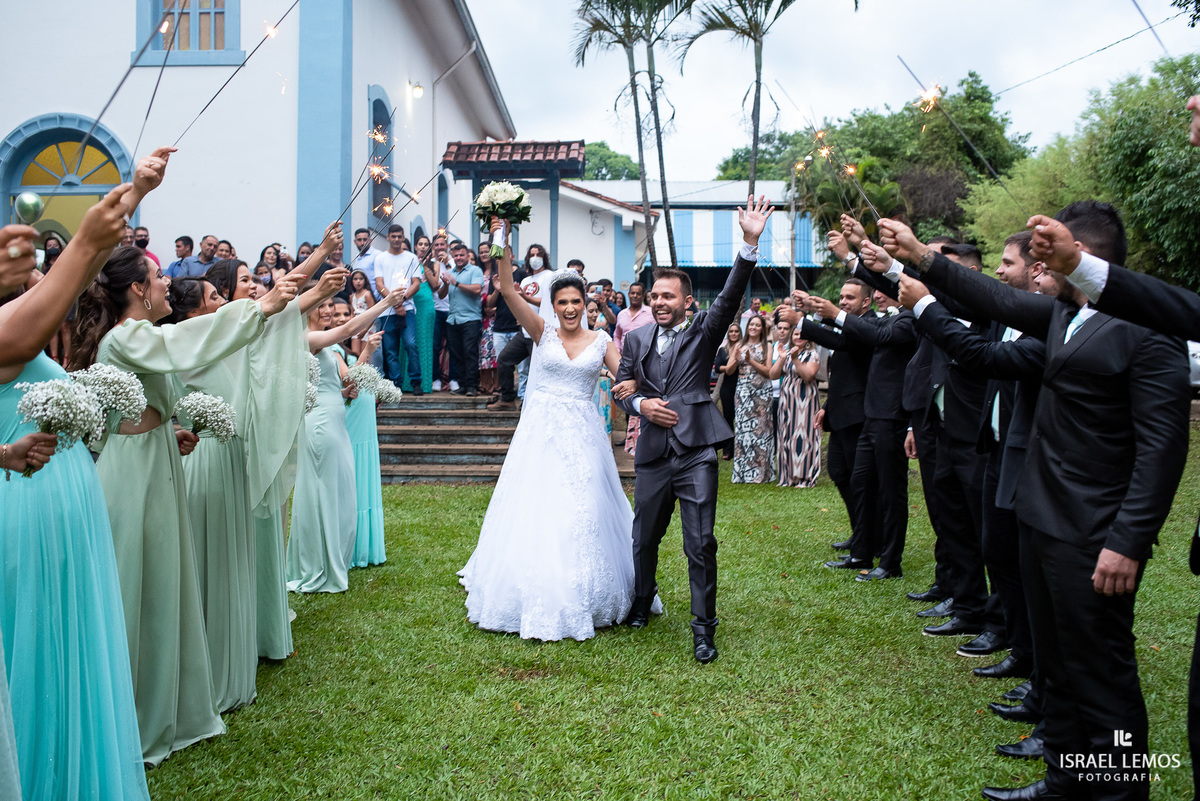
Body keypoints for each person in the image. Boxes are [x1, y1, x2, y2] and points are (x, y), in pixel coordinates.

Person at [881, 206, 1191, 801]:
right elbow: (993, 301)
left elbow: (1162, 449)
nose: (1038, 266)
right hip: (1040, 516)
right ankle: (1064, 780)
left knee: (1102, 674)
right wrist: (918, 256)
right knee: (1061, 665)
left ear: (1086, 254)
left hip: (1094, 532)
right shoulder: (1065, 315)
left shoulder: (1147, 327)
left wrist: (1127, 541)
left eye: (1051, 255)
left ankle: (1119, 792)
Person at [70, 240, 303, 764]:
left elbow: (160, 380)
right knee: (140, 581)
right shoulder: (127, 336)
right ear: (136, 289)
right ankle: (128, 709)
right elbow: (187, 343)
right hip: (133, 473)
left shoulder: (139, 336)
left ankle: (165, 698)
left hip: (155, 456)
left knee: (165, 581)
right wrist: (258, 308)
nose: (166, 285)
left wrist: (166, 426)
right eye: (156, 280)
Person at [1, 170, 154, 800]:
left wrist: (132, 196)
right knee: (37, 658)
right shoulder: (11, 335)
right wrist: (90, 238)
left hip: (59, 502)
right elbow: (42, 312)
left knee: (70, 657)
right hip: (27, 508)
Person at [458, 221, 657, 641]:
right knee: (535, 506)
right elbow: (508, 290)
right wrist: (501, 240)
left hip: (582, 436)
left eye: (576, 301)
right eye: (562, 301)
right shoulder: (540, 331)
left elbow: (627, 377)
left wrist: (636, 391)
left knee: (582, 508)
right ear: (552, 304)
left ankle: (587, 588)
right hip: (539, 435)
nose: (569, 308)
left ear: (587, 303)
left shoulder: (602, 340)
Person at [614, 195, 772, 664]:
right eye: (654, 295)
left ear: (686, 301)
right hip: (653, 454)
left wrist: (748, 243)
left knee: (700, 542)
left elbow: (729, 296)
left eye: (669, 297)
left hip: (697, 451)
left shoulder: (705, 329)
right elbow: (621, 388)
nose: (660, 302)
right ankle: (642, 601)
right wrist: (642, 403)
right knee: (644, 536)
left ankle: (704, 629)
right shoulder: (636, 338)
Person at [797, 284, 917, 582]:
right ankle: (862, 548)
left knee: (889, 492)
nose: (880, 295)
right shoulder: (884, 320)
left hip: (885, 416)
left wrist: (809, 320)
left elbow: (856, 338)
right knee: (858, 481)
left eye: (886, 290)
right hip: (868, 414)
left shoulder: (901, 322)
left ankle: (888, 559)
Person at [287, 286, 400, 593]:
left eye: (328, 305)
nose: (326, 310)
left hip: (335, 420)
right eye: (321, 305)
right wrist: (387, 303)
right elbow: (349, 328)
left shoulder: (325, 348)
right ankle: (317, 565)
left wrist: (343, 392)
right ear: (307, 308)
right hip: (320, 424)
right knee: (322, 494)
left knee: (339, 493)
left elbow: (335, 382)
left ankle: (331, 557)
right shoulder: (306, 340)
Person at [487, 243, 554, 410]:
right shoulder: (525, 280)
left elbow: (549, 302)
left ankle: (534, 404)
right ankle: (507, 398)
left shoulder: (550, 276)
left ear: (544, 257)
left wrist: (525, 297)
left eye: (538, 254)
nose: (535, 258)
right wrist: (503, 292)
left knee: (537, 369)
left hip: (541, 330)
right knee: (504, 360)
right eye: (531, 255)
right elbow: (517, 301)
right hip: (523, 331)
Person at [345, 331, 388, 568]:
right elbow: (348, 381)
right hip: (349, 428)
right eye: (333, 313)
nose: (340, 318)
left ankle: (366, 546)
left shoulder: (349, 352)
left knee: (364, 480)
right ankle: (352, 548)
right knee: (353, 479)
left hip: (365, 426)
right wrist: (367, 351)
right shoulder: (331, 351)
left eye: (344, 314)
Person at [374, 224, 422, 394]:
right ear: (388, 237)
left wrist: (402, 300)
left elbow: (416, 283)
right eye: (393, 236)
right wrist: (394, 303)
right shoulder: (380, 258)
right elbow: (379, 284)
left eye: (399, 236)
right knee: (390, 349)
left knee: (410, 344)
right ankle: (395, 383)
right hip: (387, 310)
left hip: (407, 308)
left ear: (403, 238)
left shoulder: (411, 258)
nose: (396, 239)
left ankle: (416, 381)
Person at [771, 326, 821, 488]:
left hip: (805, 400)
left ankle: (805, 477)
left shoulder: (812, 355)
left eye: (803, 334)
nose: (799, 337)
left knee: (804, 436)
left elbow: (808, 375)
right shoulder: (786, 353)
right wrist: (781, 358)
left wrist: (795, 359)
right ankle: (788, 477)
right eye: (796, 334)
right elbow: (773, 375)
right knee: (787, 435)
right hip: (787, 400)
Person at [730, 314, 775, 483]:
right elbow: (730, 369)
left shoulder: (767, 346)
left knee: (761, 430)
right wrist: (735, 360)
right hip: (743, 390)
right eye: (751, 325)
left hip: (762, 392)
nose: (754, 328)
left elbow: (768, 372)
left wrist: (750, 361)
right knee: (743, 430)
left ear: (762, 329)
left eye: (757, 325)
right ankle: (742, 473)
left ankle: (761, 474)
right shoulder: (740, 344)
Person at [614, 281, 655, 454]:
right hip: (624, 362)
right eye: (632, 293)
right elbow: (617, 335)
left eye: (638, 293)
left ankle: (643, 436)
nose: (635, 296)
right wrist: (617, 354)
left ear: (643, 294)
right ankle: (629, 436)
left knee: (641, 396)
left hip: (644, 362)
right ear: (628, 294)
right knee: (625, 396)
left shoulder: (650, 314)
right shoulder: (622, 314)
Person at [484, 243, 526, 405]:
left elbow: (524, 297)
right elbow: (489, 303)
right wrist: (496, 289)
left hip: (518, 327)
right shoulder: (495, 275)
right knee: (503, 362)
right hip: (500, 327)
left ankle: (523, 397)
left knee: (523, 368)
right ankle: (506, 396)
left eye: (506, 254)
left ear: (512, 256)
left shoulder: (522, 274)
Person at [714, 322, 742, 460]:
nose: (734, 334)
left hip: (742, 385)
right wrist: (729, 367)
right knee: (728, 418)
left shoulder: (743, 348)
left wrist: (727, 367)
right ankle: (728, 450)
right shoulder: (723, 350)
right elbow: (717, 367)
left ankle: (741, 448)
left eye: (736, 331)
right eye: (731, 331)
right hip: (727, 387)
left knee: (742, 418)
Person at [587, 298, 613, 434]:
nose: (595, 314)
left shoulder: (601, 336)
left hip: (601, 381)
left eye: (596, 311)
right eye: (590, 311)